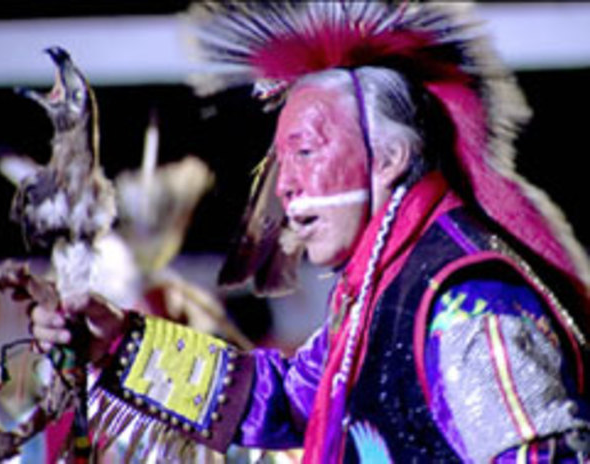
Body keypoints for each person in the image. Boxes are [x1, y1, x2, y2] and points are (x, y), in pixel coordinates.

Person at [29, 2, 590, 462]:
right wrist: (121, 344)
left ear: (390, 157)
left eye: (304, 152)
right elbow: (281, 402)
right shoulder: (380, 291)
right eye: (281, 162)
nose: (286, 186)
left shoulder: (465, 300)